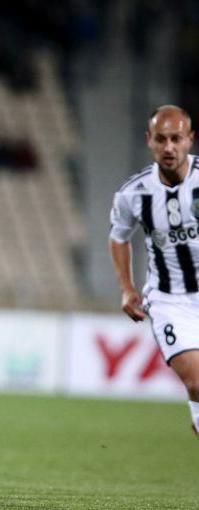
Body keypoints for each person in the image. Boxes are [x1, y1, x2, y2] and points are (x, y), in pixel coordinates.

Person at [109, 105, 199, 436]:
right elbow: (119, 237)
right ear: (149, 140)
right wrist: (127, 287)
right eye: (161, 139)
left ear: (190, 139)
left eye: (176, 138)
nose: (169, 147)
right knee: (197, 383)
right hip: (169, 301)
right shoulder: (133, 193)